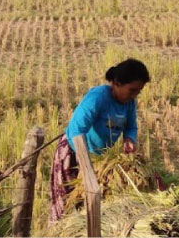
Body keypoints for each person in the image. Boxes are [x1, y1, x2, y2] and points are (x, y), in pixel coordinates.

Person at [49, 58, 150, 222]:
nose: (134, 95)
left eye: (138, 91)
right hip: (74, 152)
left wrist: (129, 139)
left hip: (98, 157)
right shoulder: (97, 98)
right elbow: (76, 131)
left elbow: (131, 126)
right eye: (132, 90)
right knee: (67, 203)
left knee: (90, 204)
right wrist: (86, 163)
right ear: (117, 83)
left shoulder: (129, 104)